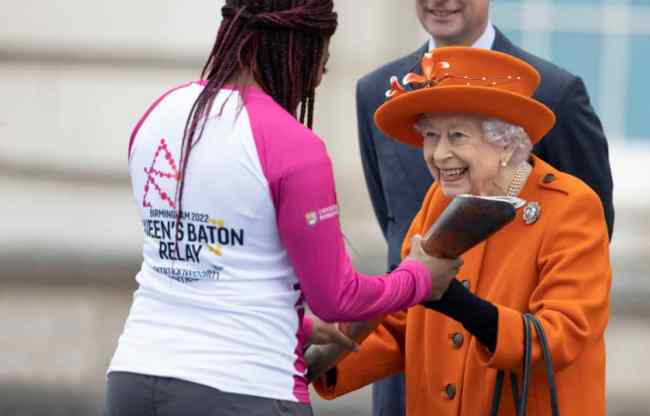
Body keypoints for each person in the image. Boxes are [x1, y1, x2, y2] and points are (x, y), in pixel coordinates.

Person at [104, 1, 461, 415]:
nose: (312, 85)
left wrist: (301, 324)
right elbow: (338, 298)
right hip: (245, 388)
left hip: (133, 378)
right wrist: (419, 278)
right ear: (299, 50)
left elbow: (202, 273)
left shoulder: (160, 113)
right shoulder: (293, 146)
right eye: (319, 68)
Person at [312, 47, 612, 416]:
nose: (438, 155)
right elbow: (403, 326)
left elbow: (563, 336)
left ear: (504, 141)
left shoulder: (569, 207)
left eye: (456, 136)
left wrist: (463, 307)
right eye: (431, 136)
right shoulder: (437, 201)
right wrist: (323, 355)